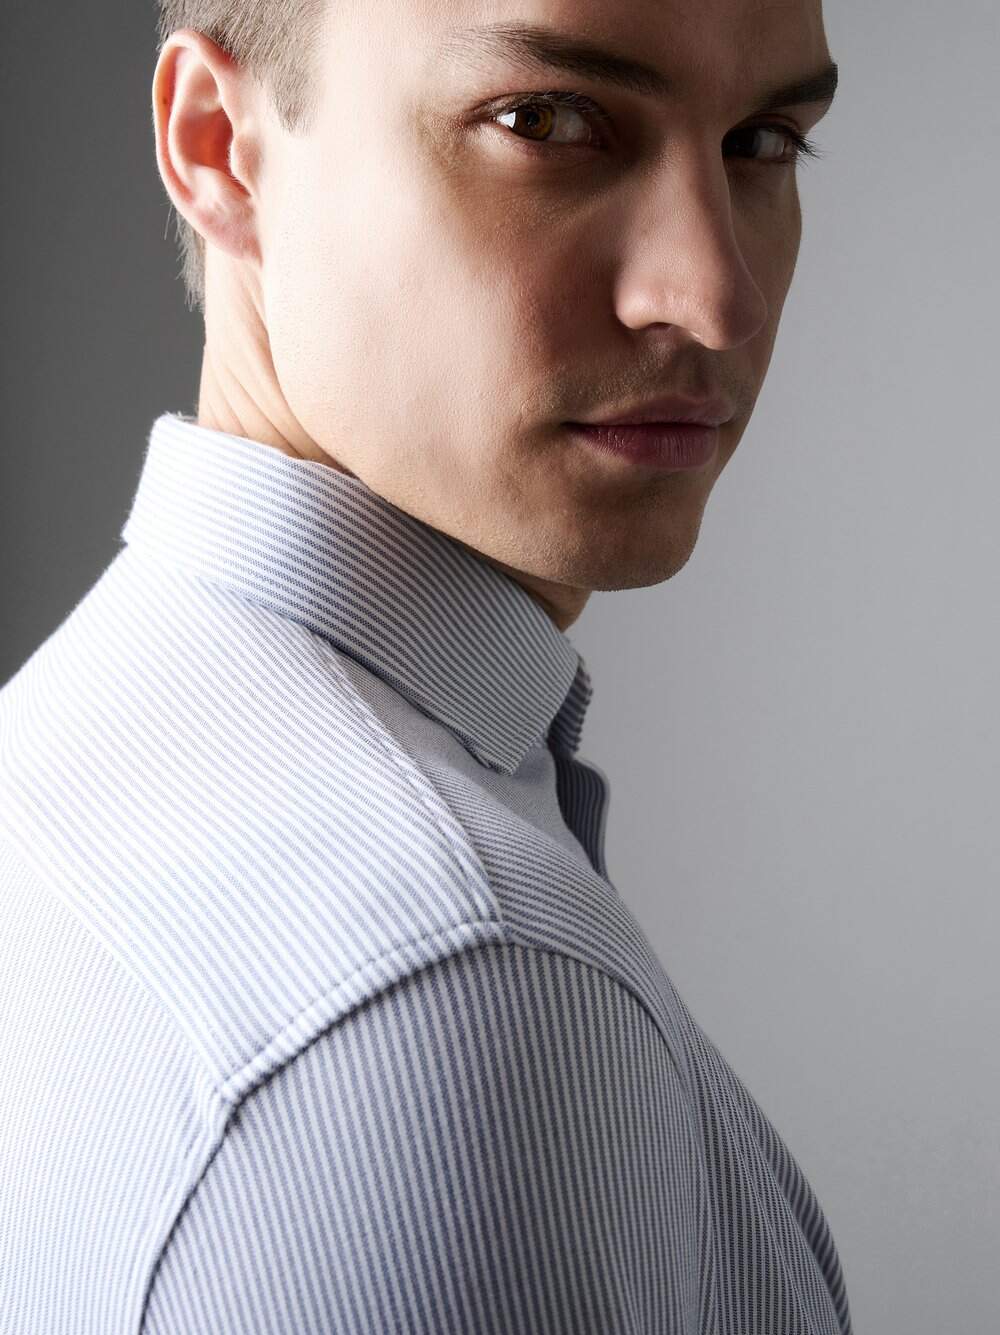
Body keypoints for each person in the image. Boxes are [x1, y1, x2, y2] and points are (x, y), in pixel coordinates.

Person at [0, 0, 851, 1331]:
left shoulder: (64, 744)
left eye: (762, 142)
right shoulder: (461, 982)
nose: (714, 296)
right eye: (546, 121)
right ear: (220, 146)